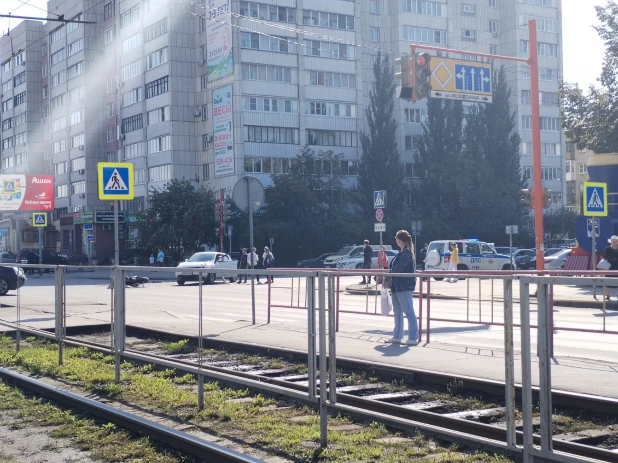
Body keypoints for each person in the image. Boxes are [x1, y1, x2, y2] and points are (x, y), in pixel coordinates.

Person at [383, 230, 418, 346]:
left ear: (399, 240)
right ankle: (397, 336)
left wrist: (386, 276)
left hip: (404, 286)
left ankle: (413, 338)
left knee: (408, 311)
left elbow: (397, 269)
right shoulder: (403, 252)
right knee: (397, 311)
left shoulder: (406, 253)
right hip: (397, 286)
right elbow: (395, 268)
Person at [603, 235, 618, 300]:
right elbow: (605, 256)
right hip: (609, 267)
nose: (614, 242)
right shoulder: (607, 249)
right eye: (613, 241)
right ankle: (608, 295)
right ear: (611, 241)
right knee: (608, 281)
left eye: (615, 241)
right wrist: (610, 260)